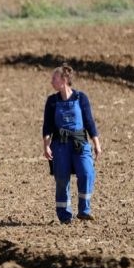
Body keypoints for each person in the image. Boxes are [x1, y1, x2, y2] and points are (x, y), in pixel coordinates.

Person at [42, 64, 102, 224]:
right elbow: (47, 126)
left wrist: (96, 143)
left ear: (64, 80)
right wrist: (46, 145)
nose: (51, 82)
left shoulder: (81, 98)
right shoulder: (52, 101)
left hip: (80, 142)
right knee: (62, 179)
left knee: (87, 173)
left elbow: (89, 122)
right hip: (60, 145)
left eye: (54, 78)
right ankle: (64, 216)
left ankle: (84, 210)